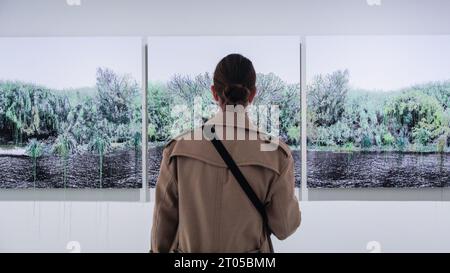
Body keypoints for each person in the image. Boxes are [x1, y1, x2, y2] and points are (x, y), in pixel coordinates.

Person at [150, 53, 301, 253]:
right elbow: (284, 227)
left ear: (214, 93)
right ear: (252, 94)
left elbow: (163, 225)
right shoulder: (276, 154)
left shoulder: (178, 149)